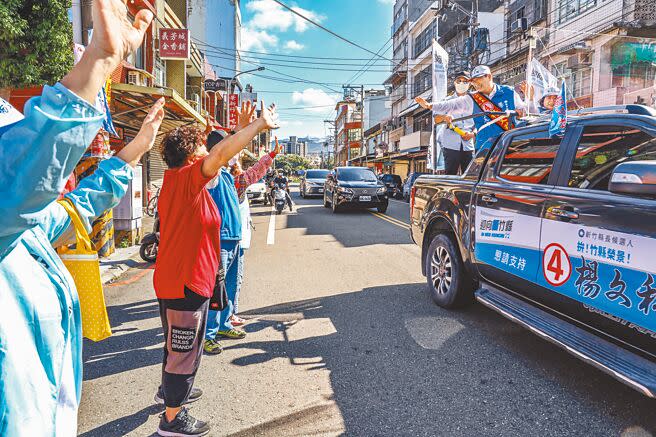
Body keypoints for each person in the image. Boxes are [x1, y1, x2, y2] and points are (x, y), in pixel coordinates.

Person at [0, 1, 154, 435]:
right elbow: (17, 182)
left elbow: (68, 208)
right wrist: (100, 61)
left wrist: (133, 153)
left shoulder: (20, 231)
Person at [153, 102, 278, 436]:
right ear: (192, 157)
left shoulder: (182, 182)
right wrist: (259, 126)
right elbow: (221, 153)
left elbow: (227, 158)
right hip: (185, 282)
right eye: (199, 149)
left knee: (177, 347)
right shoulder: (187, 179)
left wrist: (240, 130)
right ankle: (171, 418)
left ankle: (170, 393)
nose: (205, 153)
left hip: (181, 280)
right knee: (183, 352)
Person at [229, 137, 283, 326]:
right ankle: (229, 315)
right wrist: (272, 155)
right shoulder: (237, 182)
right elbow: (257, 170)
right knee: (233, 279)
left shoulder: (211, 180)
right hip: (234, 238)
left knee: (217, 281)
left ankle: (216, 319)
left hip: (215, 238)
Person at [416, 65, 528, 152]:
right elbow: (451, 104)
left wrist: (526, 104)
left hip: (509, 145)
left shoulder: (509, 92)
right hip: (484, 147)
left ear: (489, 76)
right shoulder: (472, 98)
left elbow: (526, 113)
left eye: (478, 79)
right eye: (473, 81)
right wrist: (430, 106)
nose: (475, 84)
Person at [438, 71, 476, 175]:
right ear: (455, 83)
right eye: (459, 81)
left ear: (469, 84)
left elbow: (479, 122)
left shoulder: (474, 102)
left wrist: (473, 134)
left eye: (465, 81)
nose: (462, 84)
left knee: (469, 175)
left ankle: (466, 192)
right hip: (451, 145)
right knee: (450, 174)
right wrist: (445, 117)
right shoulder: (447, 101)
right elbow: (436, 119)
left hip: (468, 145)